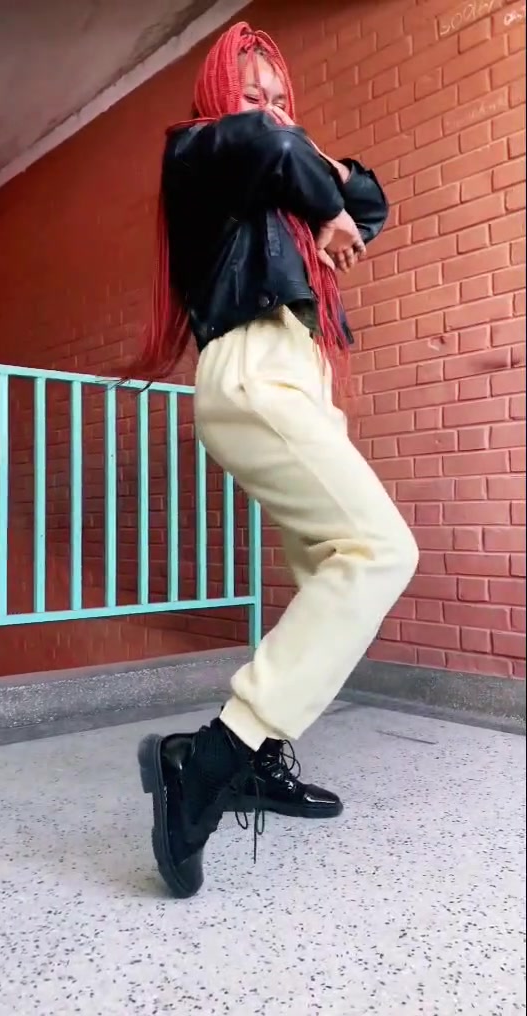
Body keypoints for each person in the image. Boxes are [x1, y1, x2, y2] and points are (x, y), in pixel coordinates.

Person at [135, 22, 419, 898]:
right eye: (252, 94)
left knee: (331, 569)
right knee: (382, 551)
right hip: (253, 367)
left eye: (281, 97)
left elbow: (370, 204)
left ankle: (258, 758)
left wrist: (325, 189)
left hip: (302, 375)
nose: (271, 111)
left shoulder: (287, 188)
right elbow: (264, 145)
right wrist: (305, 177)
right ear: (222, 100)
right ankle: (211, 759)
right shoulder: (199, 155)